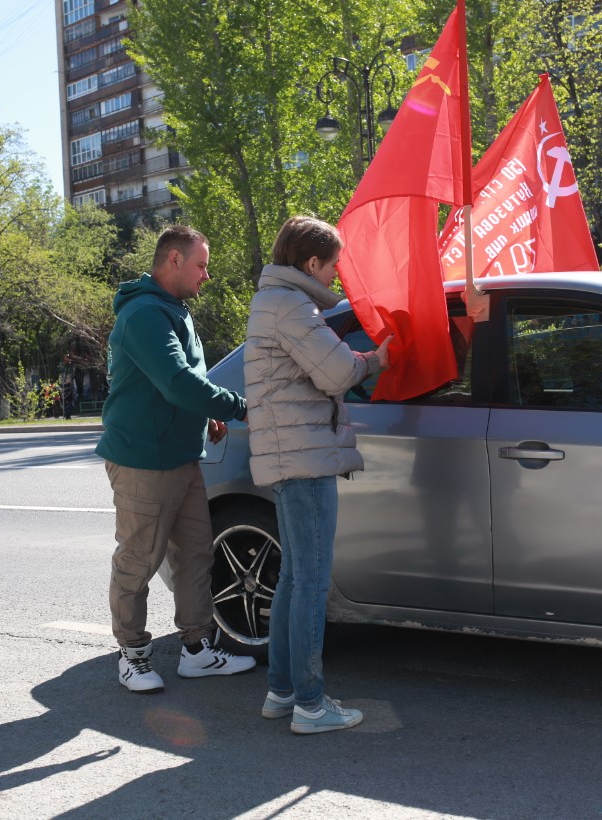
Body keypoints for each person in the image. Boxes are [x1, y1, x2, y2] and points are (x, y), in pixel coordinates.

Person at [243, 216, 393, 734]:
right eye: (333, 264)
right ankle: (310, 703)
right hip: (304, 459)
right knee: (310, 582)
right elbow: (336, 372)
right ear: (312, 263)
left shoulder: (275, 301)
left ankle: (282, 692)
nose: (335, 274)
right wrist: (376, 359)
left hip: (291, 456)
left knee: (292, 578)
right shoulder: (292, 306)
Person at [96, 224, 256, 693]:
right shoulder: (145, 313)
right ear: (173, 261)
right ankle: (133, 655)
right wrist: (238, 407)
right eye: (201, 265)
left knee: (194, 557)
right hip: (144, 461)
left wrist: (204, 417)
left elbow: (179, 380)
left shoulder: (173, 309)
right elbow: (176, 382)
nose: (207, 275)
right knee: (138, 560)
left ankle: (197, 651)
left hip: (182, 456)